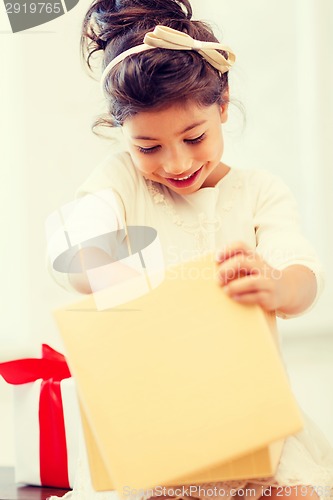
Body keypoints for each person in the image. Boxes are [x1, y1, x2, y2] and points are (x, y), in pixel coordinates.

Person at [48, 0, 333, 498]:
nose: (176, 162)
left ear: (223, 107)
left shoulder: (258, 191)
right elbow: (73, 257)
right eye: (148, 147)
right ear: (123, 136)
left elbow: (303, 281)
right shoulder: (121, 183)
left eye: (195, 136)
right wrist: (111, 269)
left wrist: (276, 284)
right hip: (158, 429)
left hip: (253, 422)